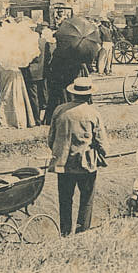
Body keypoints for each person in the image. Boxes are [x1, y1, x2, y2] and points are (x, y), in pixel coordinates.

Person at [48, 77, 107, 236]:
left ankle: (65, 233)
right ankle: (82, 232)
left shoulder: (59, 110)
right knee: (86, 199)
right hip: (85, 163)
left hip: (63, 164)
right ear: (89, 95)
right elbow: (102, 143)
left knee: (65, 200)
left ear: (73, 93)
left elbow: (51, 138)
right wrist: (102, 155)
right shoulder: (93, 113)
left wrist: (59, 151)